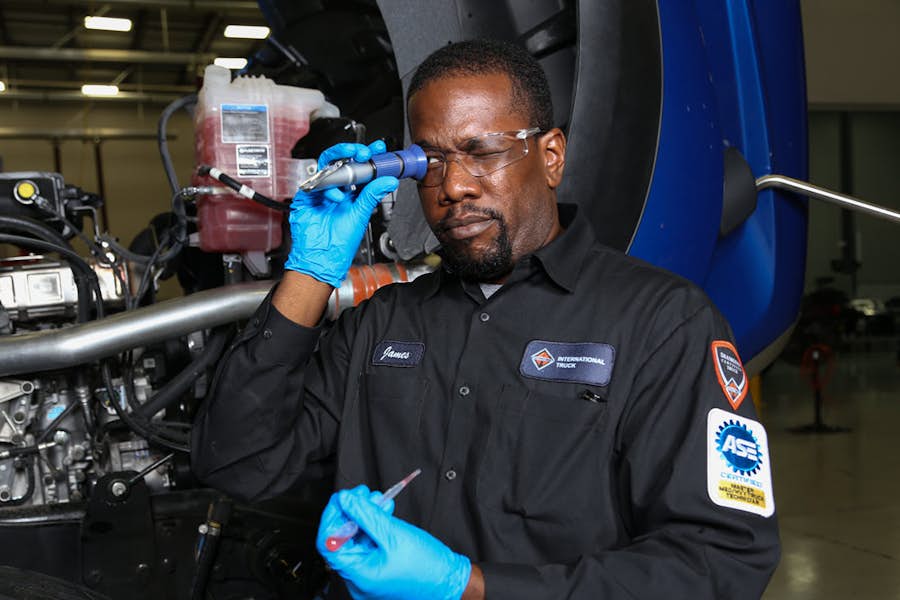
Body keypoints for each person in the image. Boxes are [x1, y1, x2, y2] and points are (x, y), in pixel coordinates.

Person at [192, 39, 780, 599]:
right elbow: (240, 463)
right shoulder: (382, 327)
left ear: (550, 156)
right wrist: (310, 272)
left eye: (482, 152)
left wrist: (469, 590)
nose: (454, 186)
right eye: (431, 161)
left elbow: (720, 562)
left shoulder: (662, 323)